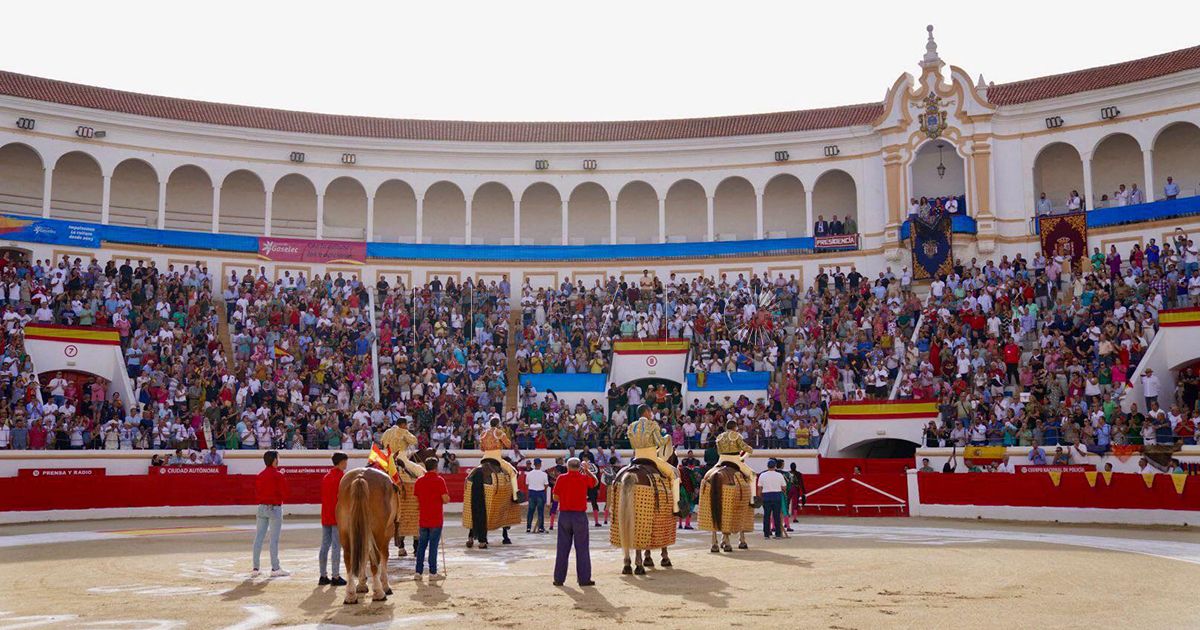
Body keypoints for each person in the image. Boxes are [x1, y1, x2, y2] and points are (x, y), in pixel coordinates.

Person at [551, 457, 596, 587]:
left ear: (567, 466)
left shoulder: (561, 478)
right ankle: (584, 579)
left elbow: (555, 497)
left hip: (564, 515)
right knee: (582, 548)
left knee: (562, 548)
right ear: (579, 467)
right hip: (579, 516)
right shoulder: (583, 477)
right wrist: (587, 470)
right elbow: (595, 482)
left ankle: (559, 579)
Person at [627, 409, 681, 515]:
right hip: (652, 458)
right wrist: (668, 437)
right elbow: (660, 442)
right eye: (650, 412)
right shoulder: (652, 425)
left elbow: (632, 444)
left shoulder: (632, 426)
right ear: (646, 412)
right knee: (674, 473)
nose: (651, 414)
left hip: (636, 458)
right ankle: (676, 507)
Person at [251, 450, 289, 577]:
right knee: (274, 540)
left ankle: (255, 568)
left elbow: (257, 493)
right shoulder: (278, 475)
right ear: (275, 460)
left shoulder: (260, 475)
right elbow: (285, 493)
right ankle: (275, 568)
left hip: (261, 508)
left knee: (258, 538)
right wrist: (281, 476)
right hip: (274, 508)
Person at [414, 456, 449, 577]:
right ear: (435, 467)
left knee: (421, 547)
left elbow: (417, 502)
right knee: (433, 547)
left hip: (423, 518)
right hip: (436, 519)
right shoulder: (439, 480)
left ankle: (418, 571)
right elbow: (445, 499)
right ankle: (433, 572)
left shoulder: (419, 481)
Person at [708, 420, 756, 506]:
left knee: (708, 476)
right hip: (735, 460)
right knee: (752, 475)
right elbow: (747, 449)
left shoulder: (719, 436)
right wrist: (743, 457)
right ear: (735, 427)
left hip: (721, 460)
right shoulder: (736, 435)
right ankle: (752, 500)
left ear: (726, 427)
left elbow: (719, 452)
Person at [319, 452, 348, 586]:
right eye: (345, 462)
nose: (346, 464)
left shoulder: (326, 477)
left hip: (326, 515)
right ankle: (335, 576)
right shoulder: (342, 478)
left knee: (325, 545)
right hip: (337, 516)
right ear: (341, 462)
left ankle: (323, 575)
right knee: (336, 546)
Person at [480, 417, 522, 502]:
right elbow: (509, 445)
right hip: (496, 458)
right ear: (498, 424)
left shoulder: (483, 433)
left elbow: (482, 448)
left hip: (484, 458)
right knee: (513, 472)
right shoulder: (499, 432)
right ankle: (515, 496)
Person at [758, 459, 786, 539]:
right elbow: (784, 487)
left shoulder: (762, 475)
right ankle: (778, 534)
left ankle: (766, 534)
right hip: (777, 496)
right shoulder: (779, 475)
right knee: (776, 516)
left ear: (767, 466)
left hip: (766, 497)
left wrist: (760, 497)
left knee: (766, 516)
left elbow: (759, 488)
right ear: (775, 466)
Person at [526, 458, 549, 533]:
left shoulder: (529, 474)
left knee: (530, 511)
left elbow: (527, 484)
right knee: (540, 511)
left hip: (532, 492)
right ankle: (540, 527)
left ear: (534, 464)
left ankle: (528, 527)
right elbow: (546, 485)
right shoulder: (544, 474)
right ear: (540, 464)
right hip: (540, 492)